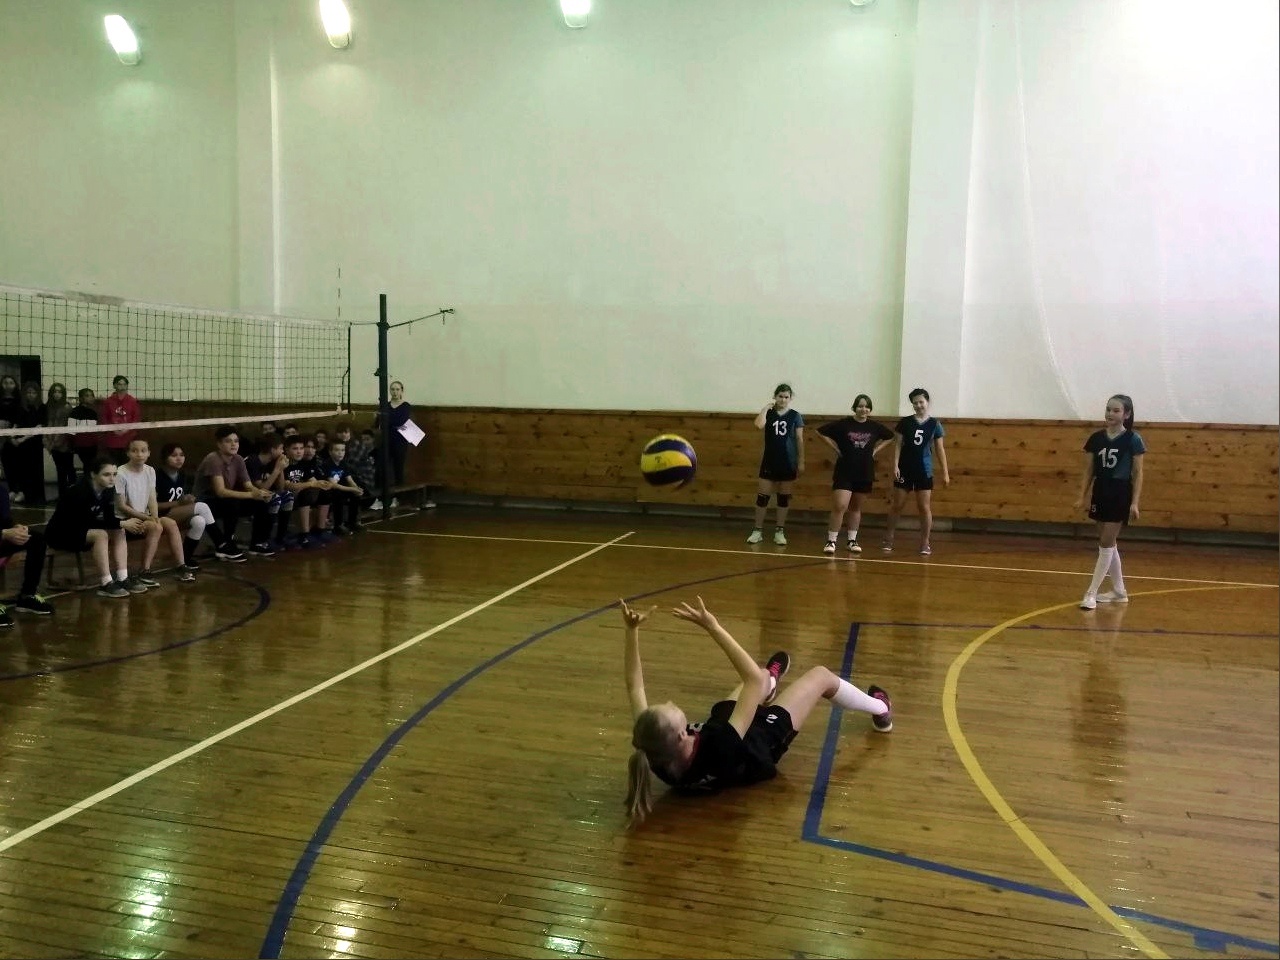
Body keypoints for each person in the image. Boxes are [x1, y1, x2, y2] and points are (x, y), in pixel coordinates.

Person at [622, 596, 893, 827]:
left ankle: (769, 683)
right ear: (682, 735)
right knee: (818, 676)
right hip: (759, 743)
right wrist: (712, 627)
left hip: (723, 731)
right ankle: (881, 709)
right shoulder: (721, 745)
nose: (670, 702)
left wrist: (631, 631)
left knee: (756, 682)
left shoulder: (653, 748)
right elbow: (751, 678)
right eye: (669, 708)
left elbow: (635, 686)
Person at [1074, 394, 1145, 610]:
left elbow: (1138, 473)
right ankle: (1119, 591)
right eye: (1108, 409)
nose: (1110, 414)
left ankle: (1091, 592)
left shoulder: (1133, 439)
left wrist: (1134, 502)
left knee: (1106, 543)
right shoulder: (1096, 439)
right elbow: (1089, 470)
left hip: (1120, 493)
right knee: (1108, 543)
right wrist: (1082, 496)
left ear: (1127, 414)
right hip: (1101, 491)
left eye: (1116, 410)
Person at [43, 458, 149, 598]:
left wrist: (124, 524)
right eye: (106, 474)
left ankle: (122, 578)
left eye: (115, 474)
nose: (112, 479)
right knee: (101, 534)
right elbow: (84, 522)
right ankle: (105, 583)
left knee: (118, 530)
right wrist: (122, 523)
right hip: (60, 534)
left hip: (80, 531)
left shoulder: (107, 490)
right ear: (93, 474)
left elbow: (108, 519)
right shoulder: (78, 492)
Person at [816, 394, 895, 555]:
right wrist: (835, 448)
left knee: (855, 507)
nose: (863, 409)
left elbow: (890, 437)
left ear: (870, 409)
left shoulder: (874, 427)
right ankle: (831, 540)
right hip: (844, 471)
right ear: (854, 407)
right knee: (840, 506)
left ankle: (852, 540)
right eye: (860, 406)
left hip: (864, 471)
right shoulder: (844, 424)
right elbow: (820, 432)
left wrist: (876, 450)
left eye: (866, 406)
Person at [884, 387, 950, 556]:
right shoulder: (905, 422)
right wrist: (895, 465)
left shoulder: (935, 424)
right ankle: (889, 537)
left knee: (924, 507)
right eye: (915, 403)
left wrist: (945, 472)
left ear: (927, 402)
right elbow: (897, 445)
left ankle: (925, 542)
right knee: (897, 505)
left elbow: (940, 449)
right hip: (905, 469)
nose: (918, 405)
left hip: (924, 471)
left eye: (921, 402)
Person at [114, 438, 191, 584]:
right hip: (126, 519)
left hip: (145, 516)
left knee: (170, 523)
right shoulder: (120, 473)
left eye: (143, 450)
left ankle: (181, 566)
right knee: (156, 527)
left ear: (149, 453)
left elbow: (151, 498)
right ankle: (145, 570)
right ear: (127, 453)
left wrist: (154, 516)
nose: (139, 454)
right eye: (134, 451)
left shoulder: (150, 471)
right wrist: (149, 519)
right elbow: (122, 506)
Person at [193, 425, 273, 561]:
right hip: (204, 501)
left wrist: (260, 493)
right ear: (219, 444)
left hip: (223, 501)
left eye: (236, 441)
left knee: (261, 503)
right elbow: (220, 492)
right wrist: (251, 495)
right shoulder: (213, 459)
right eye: (228, 441)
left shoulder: (238, 459)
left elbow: (248, 485)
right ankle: (225, 544)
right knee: (232, 502)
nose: (233, 444)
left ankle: (257, 544)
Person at [746, 383, 805, 546]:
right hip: (770, 460)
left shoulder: (795, 416)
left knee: (783, 498)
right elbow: (758, 425)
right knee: (762, 497)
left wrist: (801, 461)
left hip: (788, 461)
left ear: (790, 398)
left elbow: (799, 439)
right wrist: (765, 408)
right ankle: (757, 530)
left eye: (786, 397)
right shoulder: (770, 413)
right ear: (775, 396)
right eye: (780, 396)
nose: (783, 400)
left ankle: (779, 531)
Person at [0, 477, 54, 627]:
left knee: (36, 540)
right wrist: (4, 533)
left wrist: (16, 528)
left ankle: (27, 595)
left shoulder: (1, 492)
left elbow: (5, 521)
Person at [155, 442, 213, 572]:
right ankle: (222, 544)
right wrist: (179, 503)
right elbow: (154, 506)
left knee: (199, 521)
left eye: (181, 455)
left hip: (176, 513)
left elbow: (180, 497)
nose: (179, 458)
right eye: (174, 455)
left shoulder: (181, 474)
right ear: (165, 458)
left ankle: (185, 558)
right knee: (202, 507)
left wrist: (187, 499)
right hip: (161, 515)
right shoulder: (157, 476)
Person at [278, 435, 328, 549]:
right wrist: (310, 484)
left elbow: (313, 481)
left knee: (325, 493)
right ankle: (304, 535)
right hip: (285, 496)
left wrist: (323, 484)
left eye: (301, 448)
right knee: (304, 495)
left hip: (297, 495)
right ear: (286, 450)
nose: (299, 451)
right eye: (295, 449)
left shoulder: (303, 464)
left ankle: (320, 530)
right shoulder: (284, 463)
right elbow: (288, 486)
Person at [314, 438, 365, 535]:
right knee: (338, 496)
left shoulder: (343, 463)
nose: (340, 453)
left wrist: (356, 489)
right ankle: (338, 525)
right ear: (330, 452)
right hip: (330, 490)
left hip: (342, 488)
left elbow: (349, 479)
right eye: (337, 450)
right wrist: (352, 489)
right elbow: (333, 485)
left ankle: (352, 522)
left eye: (342, 450)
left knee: (355, 495)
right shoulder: (327, 464)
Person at [373, 380, 413, 497]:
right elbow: (378, 424)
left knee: (398, 468)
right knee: (380, 467)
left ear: (401, 391)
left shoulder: (405, 406)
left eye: (397, 389)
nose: (395, 392)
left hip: (400, 441)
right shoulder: (385, 405)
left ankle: (399, 497)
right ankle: (379, 496)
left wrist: (385, 418)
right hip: (386, 440)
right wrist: (377, 417)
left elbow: (400, 421)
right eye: (392, 389)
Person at [12, 381, 48, 505]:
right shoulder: (20, 408)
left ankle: (38, 497)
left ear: (38, 394)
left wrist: (23, 439)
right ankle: (25, 495)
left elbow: (39, 427)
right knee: (23, 470)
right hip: (21, 446)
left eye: (33, 392)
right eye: (28, 392)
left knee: (36, 471)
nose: (31, 395)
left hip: (35, 444)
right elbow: (16, 424)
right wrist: (12, 438)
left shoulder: (42, 408)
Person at [99, 375, 141, 465]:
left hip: (128, 439)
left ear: (127, 386)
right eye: (119, 384)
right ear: (114, 385)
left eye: (124, 384)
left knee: (128, 465)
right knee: (113, 464)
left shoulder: (132, 401)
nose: (122, 387)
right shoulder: (108, 402)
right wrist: (113, 429)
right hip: (112, 439)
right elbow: (104, 418)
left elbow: (136, 418)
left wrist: (126, 429)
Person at [44, 382, 76, 495]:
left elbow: (65, 426)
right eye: (55, 392)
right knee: (60, 470)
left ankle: (73, 495)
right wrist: (48, 442)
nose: (57, 394)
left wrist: (55, 442)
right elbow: (46, 425)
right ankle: (62, 496)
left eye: (59, 392)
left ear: (63, 394)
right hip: (53, 444)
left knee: (69, 469)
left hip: (65, 444)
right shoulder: (47, 407)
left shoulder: (67, 407)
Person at [67, 388, 100, 479]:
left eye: (92, 395)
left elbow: (94, 430)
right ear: (81, 398)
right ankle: (87, 484)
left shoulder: (93, 413)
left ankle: (89, 484)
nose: (91, 398)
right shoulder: (75, 412)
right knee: (88, 466)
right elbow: (71, 431)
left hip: (93, 445)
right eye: (87, 395)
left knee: (91, 467)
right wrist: (72, 446)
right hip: (81, 445)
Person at [0, 375, 20, 500]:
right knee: (6, 463)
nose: (8, 385)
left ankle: (18, 489)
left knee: (15, 463)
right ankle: (12, 489)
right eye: (5, 382)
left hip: (14, 434)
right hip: (2, 435)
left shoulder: (19, 399)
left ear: (15, 384)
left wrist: (13, 431)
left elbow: (19, 416)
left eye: (11, 382)